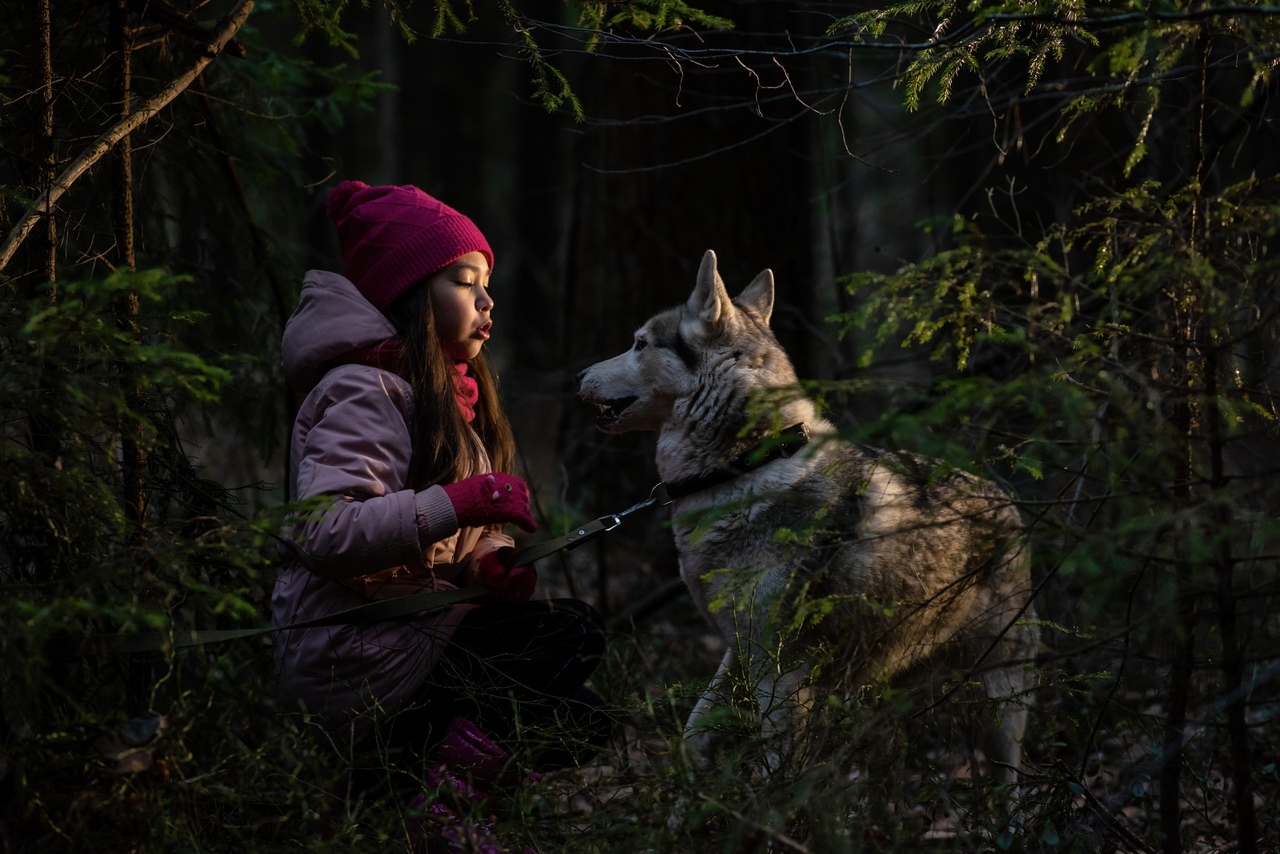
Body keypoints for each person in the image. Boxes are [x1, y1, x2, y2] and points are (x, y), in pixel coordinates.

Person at [272, 180, 610, 852]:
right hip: (350, 653)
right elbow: (326, 530)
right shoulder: (363, 389)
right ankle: (436, 814)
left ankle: (407, 784)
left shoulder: (446, 396)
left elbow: (452, 536)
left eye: (488, 285)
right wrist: (460, 504)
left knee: (582, 718)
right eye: (464, 281)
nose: (487, 301)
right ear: (411, 294)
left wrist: (487, 562)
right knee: (569, 632)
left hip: (410, 634)